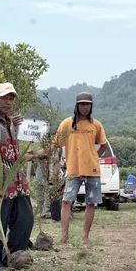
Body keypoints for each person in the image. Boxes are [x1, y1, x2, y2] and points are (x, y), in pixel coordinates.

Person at [0, 83, 38, 271]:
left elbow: (13, 152)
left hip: (17, 181)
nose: (8, 102)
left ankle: (13, 256)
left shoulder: (10, 122)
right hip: (0, 184)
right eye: (4, 98)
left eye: (11, 99)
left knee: (25, 219)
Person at [55, 92, 108, 244]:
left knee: (91, 203)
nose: (85, 107)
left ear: (91, 106)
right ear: (77, 105)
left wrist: (94, 156)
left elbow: (103, 144)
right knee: (66, 201)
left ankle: (85, 236)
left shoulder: (96, 124)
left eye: (88, 104)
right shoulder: (67, 124)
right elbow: (55, 143)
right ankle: (64, 236)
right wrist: (41, 152)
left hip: (92, 169)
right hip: (73, 169)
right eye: (82, 104)